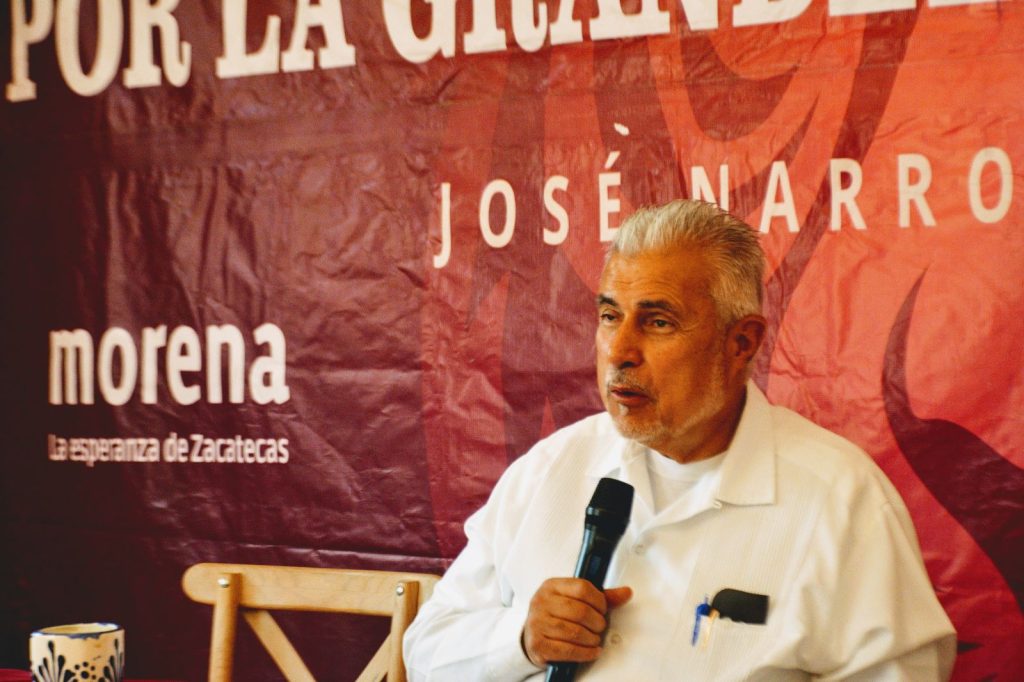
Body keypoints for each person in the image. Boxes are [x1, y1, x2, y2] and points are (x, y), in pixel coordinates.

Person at [403, 199, 956, 680]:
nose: (619, 351)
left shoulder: (843, 499)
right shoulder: (551, 467)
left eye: (658, 322)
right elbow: (426, 653)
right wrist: (520, 641)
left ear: (741, 342)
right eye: (609, 315)